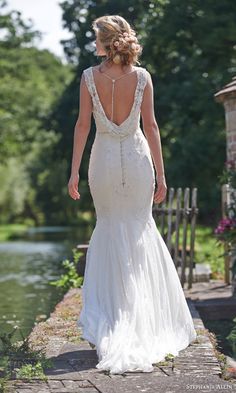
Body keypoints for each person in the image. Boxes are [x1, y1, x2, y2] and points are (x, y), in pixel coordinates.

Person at [68, 15, 197, 375]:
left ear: (105, 41)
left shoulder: (89, 77)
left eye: (96, 37)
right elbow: (151, 126)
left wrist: (74, 171)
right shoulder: (142, 77)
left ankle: (110, 319)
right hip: (138, 163)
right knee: (139, 231)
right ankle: (143, 320)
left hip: (103, 164)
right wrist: (161, 173)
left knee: (109, 229)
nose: (93, 42)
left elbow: (82, 125)